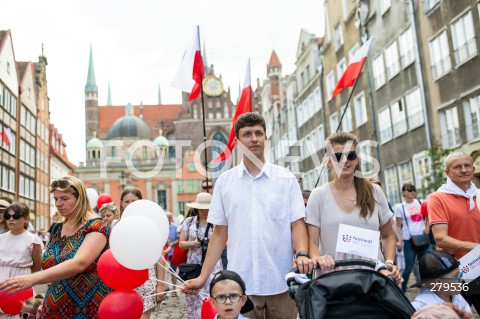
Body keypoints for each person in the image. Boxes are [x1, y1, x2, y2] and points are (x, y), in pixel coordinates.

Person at [182, 112, 312, 319]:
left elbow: (297, 225)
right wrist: (202, 277)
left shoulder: (286, 179)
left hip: (281, 281)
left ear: (265, 138)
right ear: (237, 141)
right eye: (247, 134)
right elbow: (219, 234)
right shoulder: (225, 182)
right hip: (241, 285)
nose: (254, 138)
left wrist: (302, 254)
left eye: (259, 133)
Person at [0, 176, 111, 318]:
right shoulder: (57, 228)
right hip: (55, 304)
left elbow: (79, 263)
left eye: (64, 198)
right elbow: (52, 265)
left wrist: (32, 278)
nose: (58, 204)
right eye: (56, 199)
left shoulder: (97, 226)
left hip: (86, 306)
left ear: (80, 199)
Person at [306, 132, 401, 283]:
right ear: (329, 161)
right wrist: (319, 259)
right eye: (338, 156)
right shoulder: (318, 195)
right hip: (333, 279)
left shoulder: (374, 191)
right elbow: (311, 242)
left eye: (350, 155)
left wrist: (389, 262)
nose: (345, 161)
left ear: (357, 159)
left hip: (373, 279)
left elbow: (388, 235)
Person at [429, 151, 480, 311]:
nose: (464, 170)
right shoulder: (438, 198)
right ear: (447, 172)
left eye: (467, 166)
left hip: (479, 268)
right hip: (452, 272)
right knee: (453, 315)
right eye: (457, 167)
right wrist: (476, 248)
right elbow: (441, 239)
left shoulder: (478, 195)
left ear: (473, 169)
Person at [119, 186, 165, 319]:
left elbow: (160, 256)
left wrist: (160, 285)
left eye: (134, 201)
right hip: (123, 279)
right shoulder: (116, 225)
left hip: (146, 277)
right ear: (121, 203)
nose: (130, 205)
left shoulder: (150, 224)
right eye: (127, 201)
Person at [179, 192, 223, 319]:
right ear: (196, 208)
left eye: (207, 209)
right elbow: (181, 244)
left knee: (212, 292)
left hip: (212, 263)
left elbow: (225, 243)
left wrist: (212, 245)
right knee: (193, 294)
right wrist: (193, 243)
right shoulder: (189, 222)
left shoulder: (217, 223)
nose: (204, 212)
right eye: (201, 209)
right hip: (194, 264)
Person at [0, 202, 43, 319]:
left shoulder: (33, 240)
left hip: (21, 284)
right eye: (7, 216)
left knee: (19, 314)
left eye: (16, 216)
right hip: (1, 282)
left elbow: (36, 267)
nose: (11, 219)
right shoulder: (1, 238)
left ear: (26, 219)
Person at [395, 183, 431, 293]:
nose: (412, 192)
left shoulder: (421, 203)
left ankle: (428, 290)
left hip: (423, 238)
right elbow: (397, 226)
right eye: (409, 190)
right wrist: (399, 240)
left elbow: (428, 216)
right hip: (408, 240)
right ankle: (403, 290)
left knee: (427, 265)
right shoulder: (400, 207)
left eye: (413, 190)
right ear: (403, 193)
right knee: (408, 268)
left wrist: (427, 227)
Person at [164, 211, 179, 297]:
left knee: (173, 272)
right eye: (167, 217)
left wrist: (172, 244)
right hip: (164, 254)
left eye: (169, 217)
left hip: (172, 253)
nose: (168, 218)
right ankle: (165, 288)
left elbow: (178, 239)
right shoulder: (161, 227)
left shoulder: (174, 227)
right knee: (164, 272)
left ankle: (174, 289)